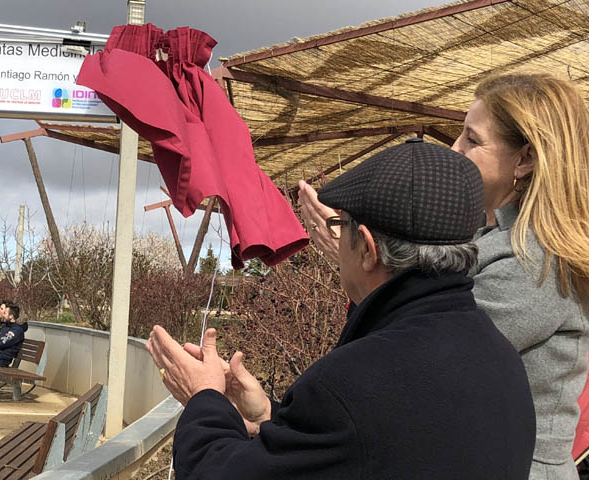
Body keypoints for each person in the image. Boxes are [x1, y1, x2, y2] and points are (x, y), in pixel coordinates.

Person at [148, 140, 536, 479]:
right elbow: (386, 449)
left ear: (367, 249)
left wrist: (204, 398)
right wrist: (269, 415)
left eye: (341, 224)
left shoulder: (351, 384)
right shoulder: (503, 360)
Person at [298, 72, 589, 479]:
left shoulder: (536, 264)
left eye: (472, 139)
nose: (455, 149)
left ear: (525, 159)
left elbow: (423, 358)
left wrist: (369, 265)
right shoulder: (495, 241)